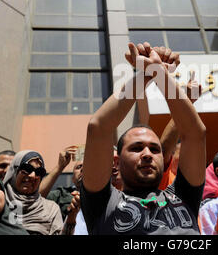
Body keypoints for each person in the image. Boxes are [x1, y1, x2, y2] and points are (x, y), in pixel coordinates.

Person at [80, 42, 206, 235]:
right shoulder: (103, 204)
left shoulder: (184, 195)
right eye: (136, 148)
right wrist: (149, 72)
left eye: (155, 149)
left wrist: (158, 72)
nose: (147, 154)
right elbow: (99, 128)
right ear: (116, 160)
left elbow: (195, 133)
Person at [3, 150, 63, 235]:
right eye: (27, 169)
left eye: (39, 172)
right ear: (14, 171)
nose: (32, 176)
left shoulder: (51, 209)